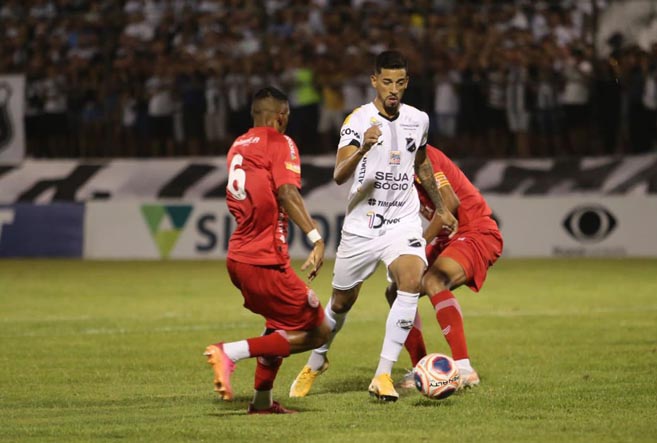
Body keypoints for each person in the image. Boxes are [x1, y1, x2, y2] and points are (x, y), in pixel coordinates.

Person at [289, 50, 458, 402]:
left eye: (400, 82)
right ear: (374, 81)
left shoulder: (419, 119)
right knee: (341, 303)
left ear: (407, 83)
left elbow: (422, 164)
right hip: (362, 226)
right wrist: (363, 148)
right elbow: (339, 175)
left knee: (410, 281)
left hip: (402, 221)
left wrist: (440, 208)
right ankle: (317, 360)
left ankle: (383, 374)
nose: (393, 89)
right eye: (387, 82)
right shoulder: (357, 120)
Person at [203, 86, 331, 414]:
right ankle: (229, 352)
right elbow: (287, 193)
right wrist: (316, 238)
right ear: (282, 116)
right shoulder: (280, 142)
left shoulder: (238, 145)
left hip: (239, 258)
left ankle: (262, 401)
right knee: (318, 331)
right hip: (265, 261)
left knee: (278, 325)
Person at [388, 144, 503, 389]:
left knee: (434, 280)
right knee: (397, 290)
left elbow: (449, 202)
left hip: (475, 231)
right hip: (446, 237)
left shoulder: (421, 155)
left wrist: (418, 245)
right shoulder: (394, 165)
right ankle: (421, 368)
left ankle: (464, 368)